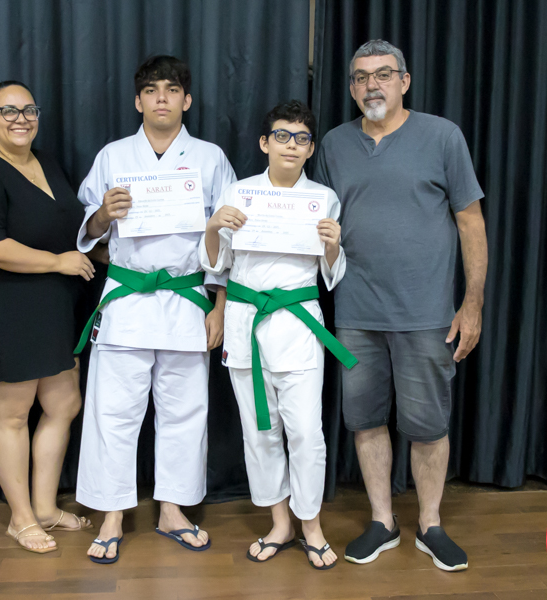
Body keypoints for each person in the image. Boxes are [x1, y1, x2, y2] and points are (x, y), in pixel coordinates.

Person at [315, 40, 488, 572]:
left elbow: (470, 222)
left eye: (384, 74)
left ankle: (430, 525)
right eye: (361, 77)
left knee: (428, 424)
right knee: (365, 420)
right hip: (355, 312)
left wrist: (472, 305)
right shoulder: (334, 144)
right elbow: (317, 221)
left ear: (404, 81)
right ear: (351, 87)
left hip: (426, 313)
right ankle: (382, 521)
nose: (372, 85)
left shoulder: (442, 136)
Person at [74, 56, 236, 564]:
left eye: (171, 89)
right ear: (138, 100)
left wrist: (220, 305)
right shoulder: (113, 156)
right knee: (112, 412)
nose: (161, 97)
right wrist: (104, 214)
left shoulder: (210, 158)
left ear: (186, 100)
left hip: (187, 299)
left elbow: (227, 237)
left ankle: (172, 509)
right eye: (151, 89)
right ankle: (112, 515)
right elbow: (89, 228)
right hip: (127, 297)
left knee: (184, 411)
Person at [201, 100, 354, 570]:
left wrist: (333, 245)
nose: (292, 145)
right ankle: (280, 523)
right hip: (246, 321)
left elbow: (332, 274)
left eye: (301, 138)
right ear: (265, 143)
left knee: (306, 432)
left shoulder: (323, 198)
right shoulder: (239, 192)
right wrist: (213, 226)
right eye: (282, 136)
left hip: (298, 323)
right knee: (259, 432)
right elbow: (216, 263)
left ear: (310, 149)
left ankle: (312, 524)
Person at [0, 81, 97, 553]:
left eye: (29, 110)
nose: (21, 118)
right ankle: (20, 518)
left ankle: (45, 507)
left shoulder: (45, 161)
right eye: (8, 111)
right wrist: (58, 262)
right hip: (5, 304)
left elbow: (68, 224)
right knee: (13, 414)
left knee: (64, 404)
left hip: (55, 302)